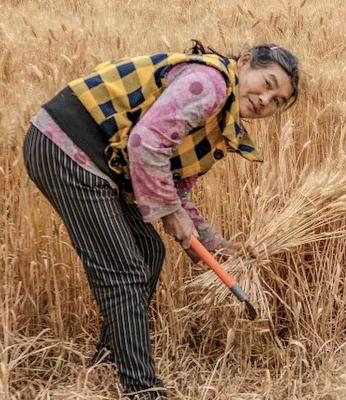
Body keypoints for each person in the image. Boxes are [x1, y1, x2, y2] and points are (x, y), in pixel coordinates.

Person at [22, 41, 300, 399]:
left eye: (277, 101)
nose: (266, 99)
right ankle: (142, 389)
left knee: (149, 252)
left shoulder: (219, 119)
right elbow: (147, 141)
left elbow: (174, 185)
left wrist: (212, 244)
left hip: (95, 163)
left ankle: (110, 358)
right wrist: (169, 212)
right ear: (244, 62)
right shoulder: (210, 83)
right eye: (267, 83)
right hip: (67, 147)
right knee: (124, 271)